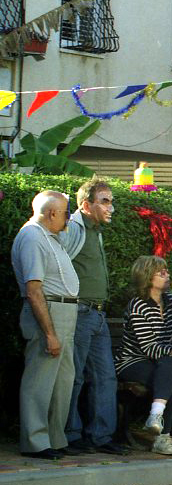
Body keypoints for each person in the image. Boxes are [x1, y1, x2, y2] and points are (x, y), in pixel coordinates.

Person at [60, 178, 127, 455]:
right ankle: (70, 434)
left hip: (98, 314)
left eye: (111, 201)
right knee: (73, 377)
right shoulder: (73, 228)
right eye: (105, 201)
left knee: (105, 377)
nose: (111, 207)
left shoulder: (96, 230)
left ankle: (100, 436)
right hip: (79, 311)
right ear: (87, 205)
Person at [12, 191, 79, 460]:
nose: (67, 218)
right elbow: (34, 289)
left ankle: (54, 437)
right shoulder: (32, 237)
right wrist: (50, 333)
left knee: (62, 380)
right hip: (49, 311)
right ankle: (35, 441)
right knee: (40, 379)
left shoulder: (50, 236)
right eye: (65, 213)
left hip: (63, 310)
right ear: (52, 213)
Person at [115, 256, 172, 456]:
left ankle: (159, 426)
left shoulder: (170, 301)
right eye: (161, 272)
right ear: (147, 277)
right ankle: (162, 436)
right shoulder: (138, 306)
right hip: (132, 361)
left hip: (162, 361)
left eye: (166, 271)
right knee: (171, 375)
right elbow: (148, 348)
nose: (167, 275)